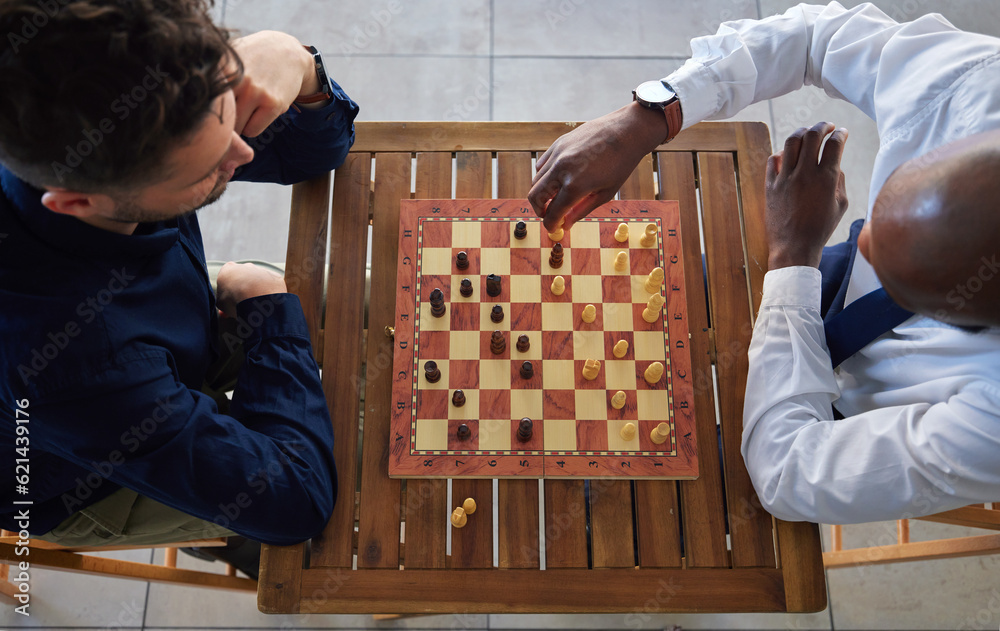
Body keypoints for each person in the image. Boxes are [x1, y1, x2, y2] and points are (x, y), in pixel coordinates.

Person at [528, 2, 1000, 524]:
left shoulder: (993, 425)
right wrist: (652, 114)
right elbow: (814, 35)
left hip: (845, 415)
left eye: (901, 276)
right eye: (891, 209)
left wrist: (795, 256)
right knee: (625, 303)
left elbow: (789, 474)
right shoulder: (981, 88)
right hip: (827, 281)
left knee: (658, 496)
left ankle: (630, 507)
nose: (864, 242)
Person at [0, 0, 359, 573]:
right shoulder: (77, 366)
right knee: (354, 484)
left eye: (230, 114)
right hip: (77, 475)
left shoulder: (136, 117)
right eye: (208, 168)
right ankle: (227, 541)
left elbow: (311, 156)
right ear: (78, 202)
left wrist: (298, 63)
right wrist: (267, 311)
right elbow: (296, 501)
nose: (242, 155)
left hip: (168, 330)